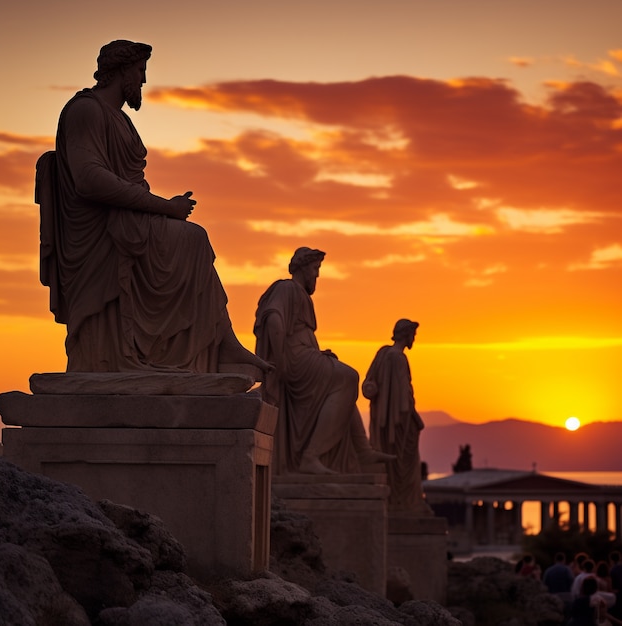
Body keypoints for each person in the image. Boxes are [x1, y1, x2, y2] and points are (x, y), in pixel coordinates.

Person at [36, 40, 267, 375]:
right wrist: (164, 208)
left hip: (126, 222)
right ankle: (215, 345)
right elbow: (89, 179)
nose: (143, 81)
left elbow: (125, 183)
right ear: (122, 71)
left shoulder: (121, 120)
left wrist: (161, 208)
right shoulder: (85, 110)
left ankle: (219, 344)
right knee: (193, 239)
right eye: (140, 71)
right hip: (101, 232)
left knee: (193, 240)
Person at [253, 247, 394, 474]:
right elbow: (274, 320)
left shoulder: (299, 294)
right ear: (303, 268)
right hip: (296, 361)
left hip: (305, 356)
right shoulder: (288, 287)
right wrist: (280, 363)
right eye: (315, 268)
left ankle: (362, 449)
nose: (317, 275)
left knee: (344, 384)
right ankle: (311, 457)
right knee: (348, 377)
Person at [362, 319, 433, 514]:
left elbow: (369, 382)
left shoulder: (383, 353)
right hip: (399, 421)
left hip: (385, 420)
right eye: (413, 335)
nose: (414, 339)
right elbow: (404, 397)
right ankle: (405, 502)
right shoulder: (398, 358)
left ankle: (399, 500)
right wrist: (415, 419)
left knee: (396, 458)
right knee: (405, 460)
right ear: (406, 334)